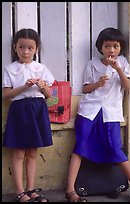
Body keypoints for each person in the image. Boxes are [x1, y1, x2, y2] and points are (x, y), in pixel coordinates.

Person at [65, 27, 130, 202]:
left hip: (110, 113)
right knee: (80, 147)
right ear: (100, 47)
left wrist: (118, 69)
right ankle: (70, 191)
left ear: (120, 48)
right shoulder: (92, 64)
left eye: (115, 46)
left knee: (114, 148)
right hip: (89, 111)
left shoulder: (123, 63)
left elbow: (127, 87)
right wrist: (97, 84)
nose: (111, 50)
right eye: (107, 46)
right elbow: (85, 88)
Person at [2, 28, 55, 202]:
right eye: (22, 47)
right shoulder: (10, 69)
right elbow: (6, 94)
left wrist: (42, 86)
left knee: (32, 152)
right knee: (19, 153)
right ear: (15, 48)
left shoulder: (41, 68)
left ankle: (31, 189)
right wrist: (24, 87)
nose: (26, 51)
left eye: (30, 48)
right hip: (19, 111)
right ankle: (20, 192)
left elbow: (49, 94)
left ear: (36, 49)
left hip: (38, 110)